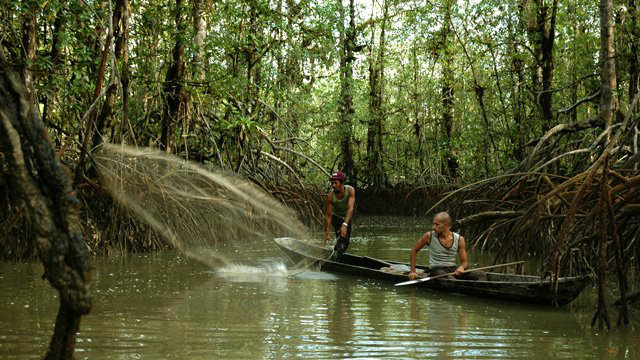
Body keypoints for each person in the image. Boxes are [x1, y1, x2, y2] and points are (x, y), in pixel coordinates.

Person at [408, 212, 486, 281]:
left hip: (452, 270)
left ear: (446, 225)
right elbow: (414, 251)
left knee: (481, 274)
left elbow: (464, 262)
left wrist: (461, 267)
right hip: (436, 270)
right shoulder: (429, 236)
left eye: (437, 224)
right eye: (434, 224)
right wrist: (412, 271)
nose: (433, 227)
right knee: (450, 279)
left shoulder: (459, 239)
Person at [324, 171, 355, 259]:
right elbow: (328, 215)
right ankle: (335, 258)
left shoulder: (350, 190)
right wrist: (327, 234)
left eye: (336, 183)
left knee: (345, 242)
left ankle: (334, 256)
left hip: (346, 218)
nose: (333, 185)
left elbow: (350, 208)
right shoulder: (331, 195)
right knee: (342, 242)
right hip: (336, 218)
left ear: (342, 183)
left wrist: (345, 224)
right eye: (332, 183)